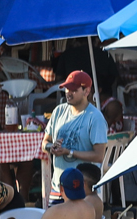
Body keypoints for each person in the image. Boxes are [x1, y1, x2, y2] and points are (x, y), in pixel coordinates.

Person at [41, 72, 106, 201]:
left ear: (86, 91)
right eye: (67, 89)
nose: (68, 93)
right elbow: (45, 142)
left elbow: (99, 156)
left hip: (82, 190)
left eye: (74, 90)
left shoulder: (95, 117)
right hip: (58, 187)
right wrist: (51, 147)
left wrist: (69, 152)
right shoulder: (58, 111)